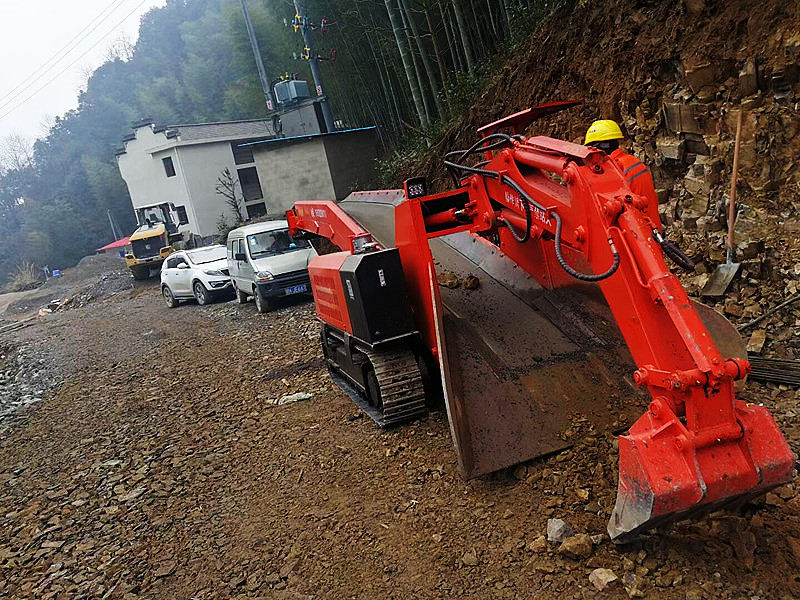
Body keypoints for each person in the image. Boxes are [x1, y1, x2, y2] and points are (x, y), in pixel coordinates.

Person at [584, 119, 662, 230]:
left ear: (599, 147)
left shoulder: (612, 171)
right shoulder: (633, 161)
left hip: (638, 235)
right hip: (654, 227)